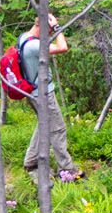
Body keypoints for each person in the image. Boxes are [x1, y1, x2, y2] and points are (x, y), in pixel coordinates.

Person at [19, 17, 77, 177]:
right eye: (49, 31)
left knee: (43, 124)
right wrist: (58, 26)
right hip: (43, 94)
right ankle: (67, 169)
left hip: (33, 92)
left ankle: (31, 161)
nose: (50, 34)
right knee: (58, 128)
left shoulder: (24, 38)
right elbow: (62, 47)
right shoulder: (34, 45)